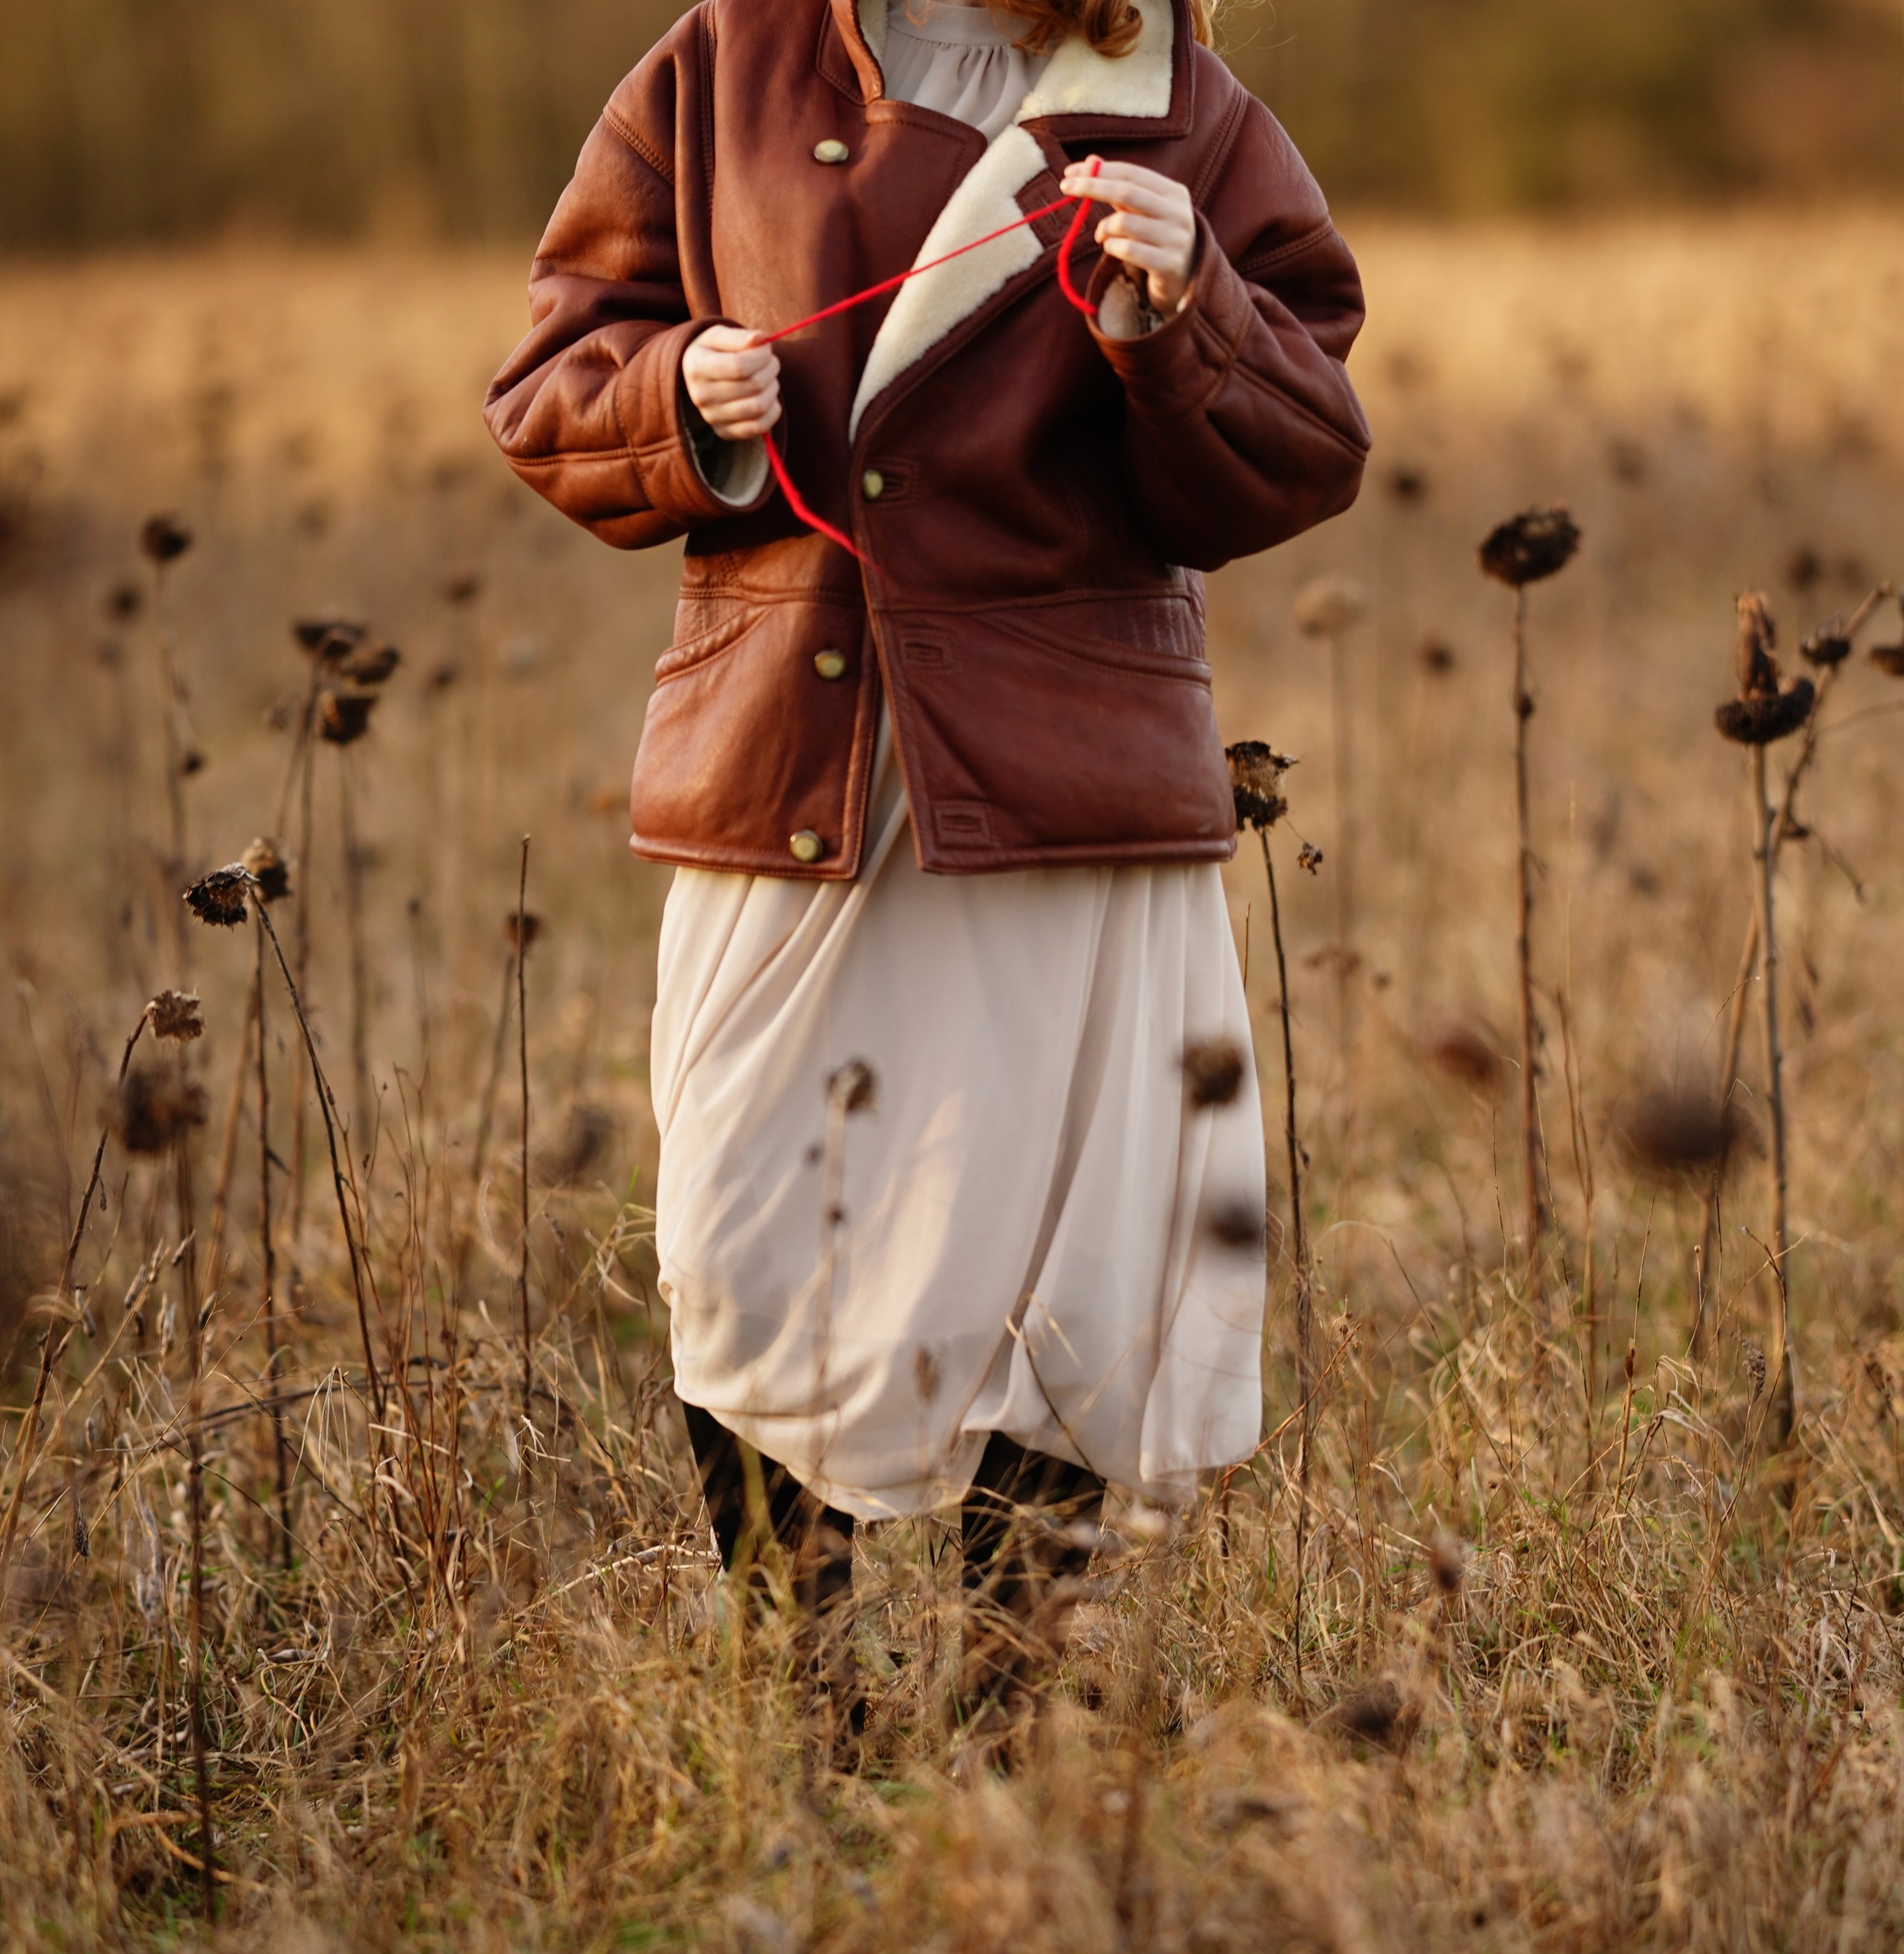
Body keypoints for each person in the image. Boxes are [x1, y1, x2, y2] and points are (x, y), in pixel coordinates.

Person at [484, 0, 1368, 1742]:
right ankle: (794, 1702)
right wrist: (679, 394)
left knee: (1058, 1253)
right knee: (741, 1230)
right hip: (795, 753)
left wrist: (1186, 312)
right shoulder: (717, 61)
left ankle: (1013, 1712)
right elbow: (548, 384)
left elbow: (1302, 446)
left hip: (1064, 770)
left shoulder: (1177, 101)